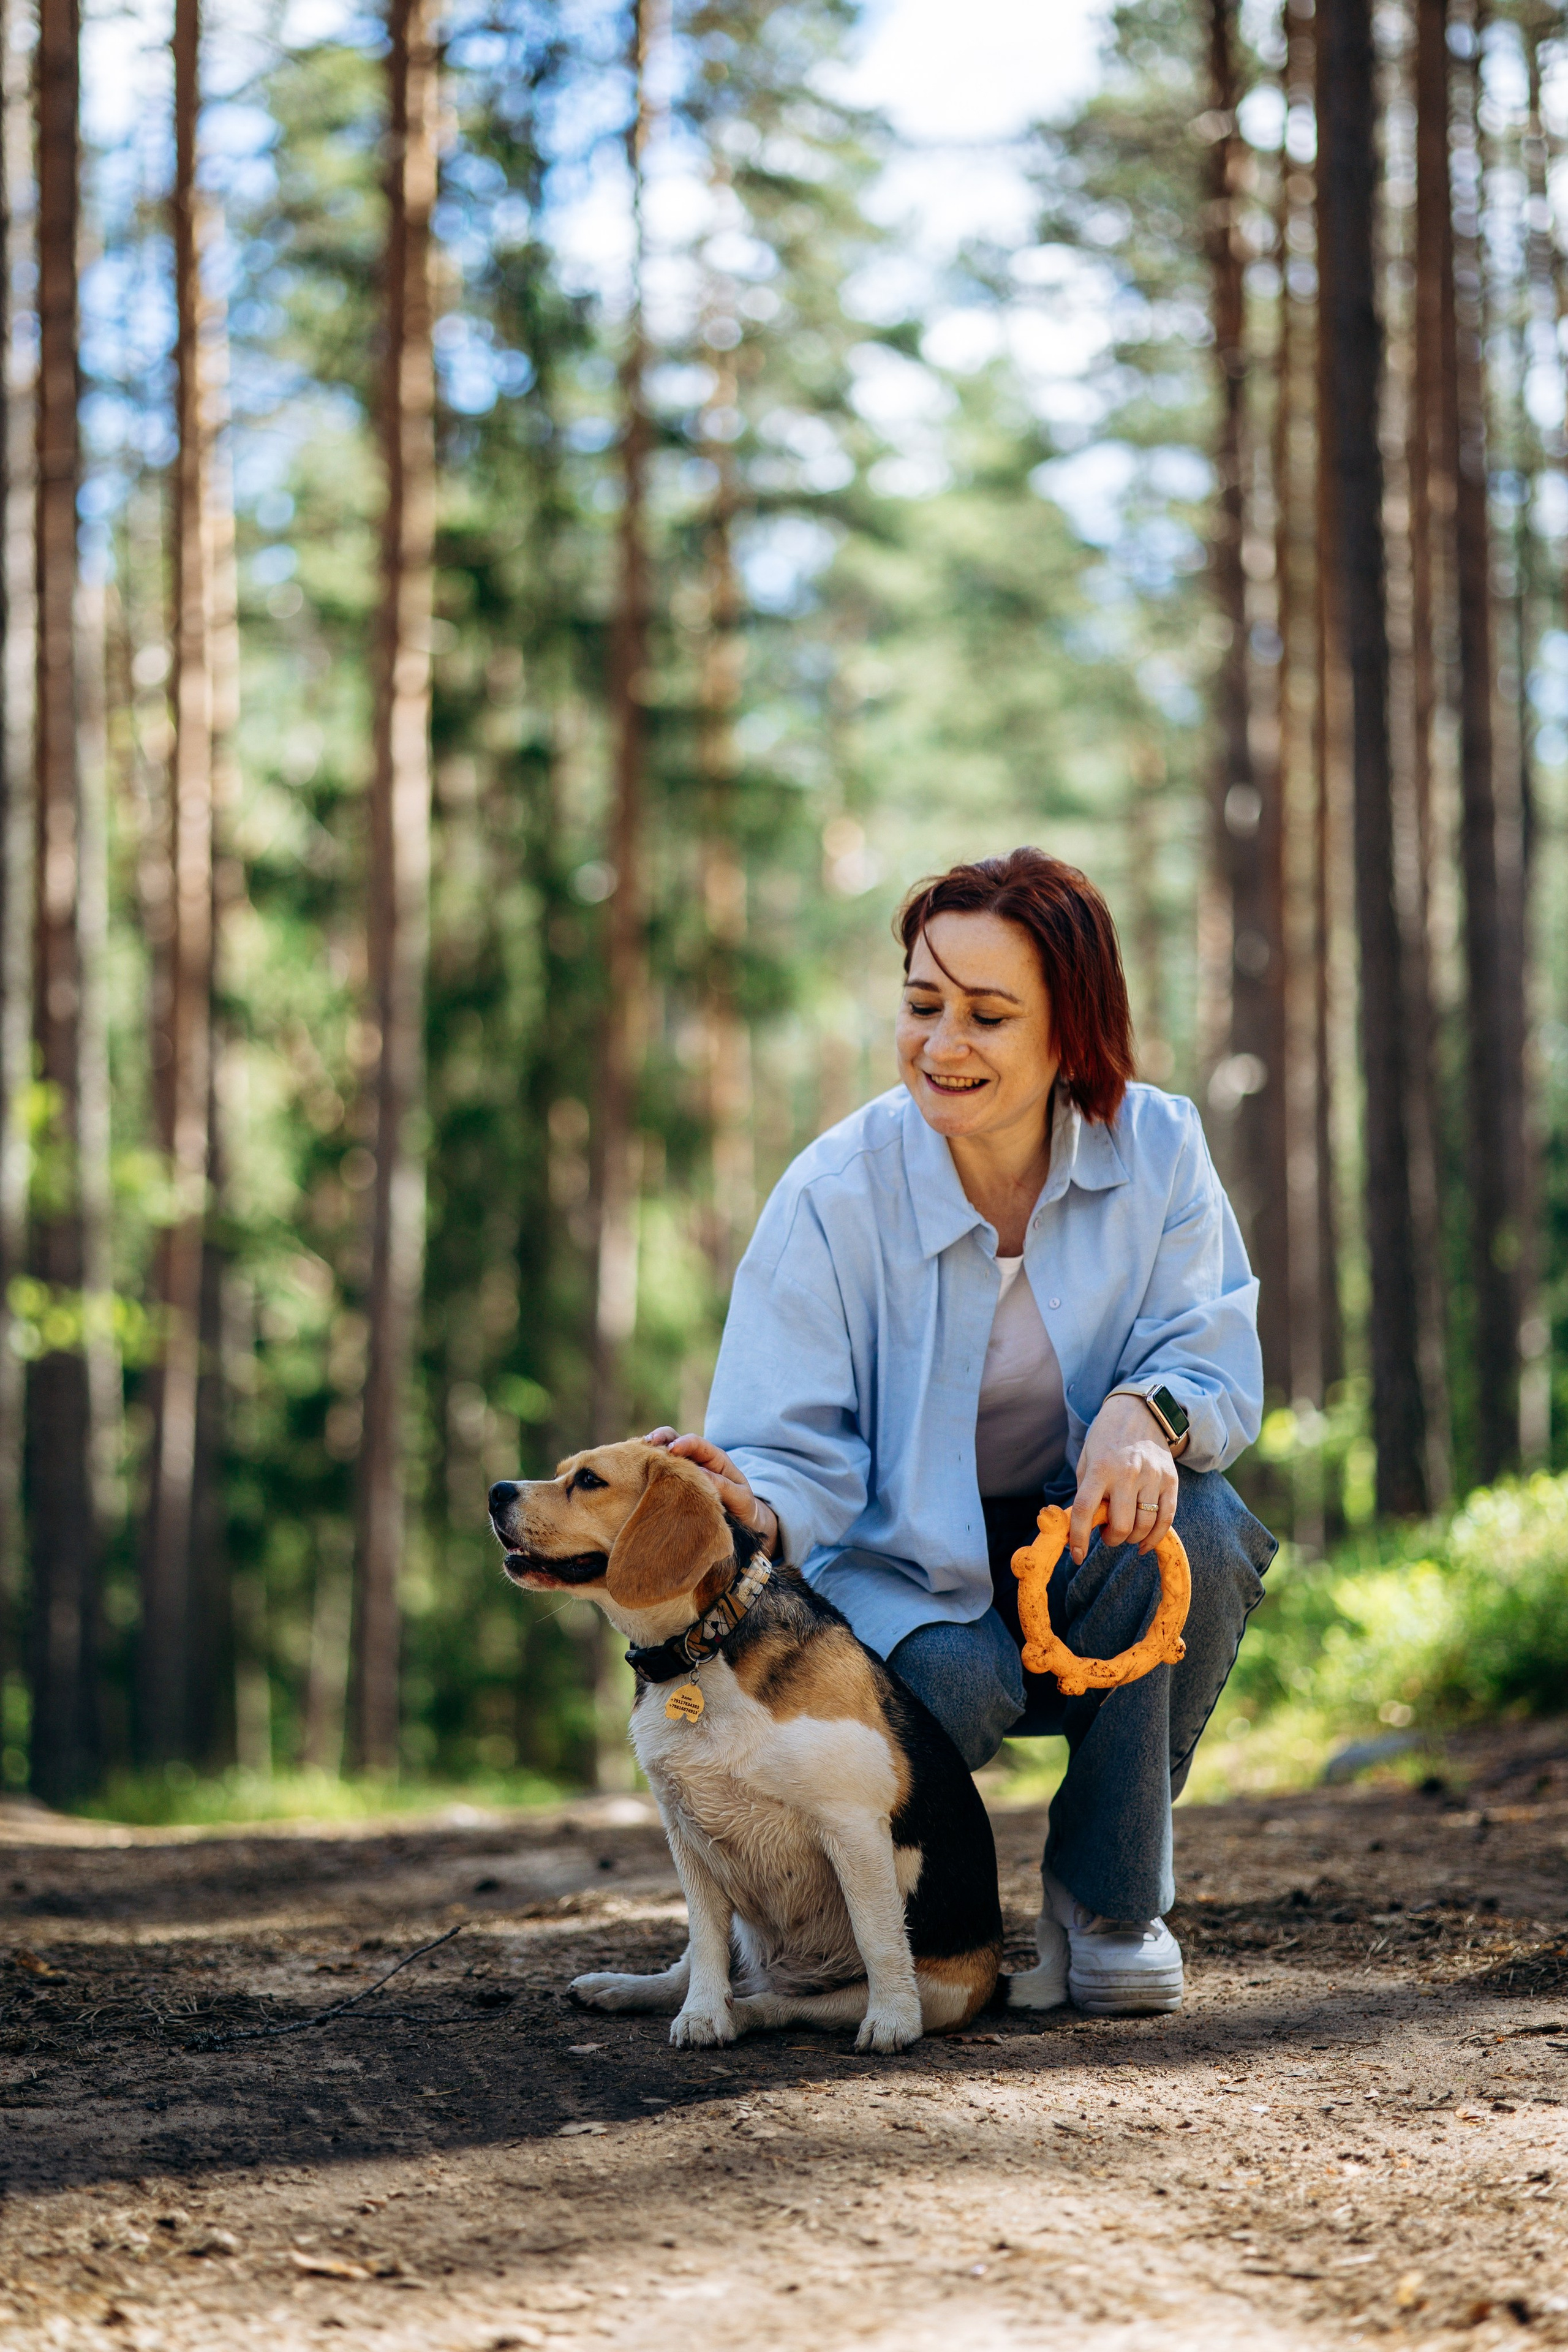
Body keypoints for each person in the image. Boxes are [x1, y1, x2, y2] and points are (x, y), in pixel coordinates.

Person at [645, 846, 1275, 2017]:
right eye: (923, 1005)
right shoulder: (835, 1192)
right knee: (951, 1682)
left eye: (989, 1015)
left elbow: (1213, 1351)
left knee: (1205, 1528)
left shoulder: (1161, 1148)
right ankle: (934, 1920)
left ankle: (1107, 1899)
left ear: (1071, 1033)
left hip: (1087, 1536)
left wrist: (1150, 1411)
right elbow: (785, 1443)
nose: (943, 1045)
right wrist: (755, 1504)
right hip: (899, 1564)